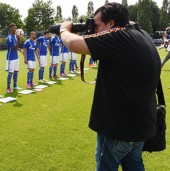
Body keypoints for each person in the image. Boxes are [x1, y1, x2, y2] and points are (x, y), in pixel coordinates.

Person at [60, 2, 160, 170]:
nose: (94, 30)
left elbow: (73, 44)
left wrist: (64, 29)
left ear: (111, 24)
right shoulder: (141, 35)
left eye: (97, 25)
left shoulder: (119, 37)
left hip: (118, 128)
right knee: (134, 165)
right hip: (141, 126)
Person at [6, 23, 22, 93]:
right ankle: (8, 88)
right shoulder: (9, 37)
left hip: (16, 57)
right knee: (10, 73)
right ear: (10, 29)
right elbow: (13, 47)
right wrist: (19, 40)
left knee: (16, 72)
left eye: (16, 28)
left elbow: (16, 47)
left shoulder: (15, 36)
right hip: (11, 58)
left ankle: (15, 85)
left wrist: (19, 49)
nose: (15, 29)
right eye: (14, 28)